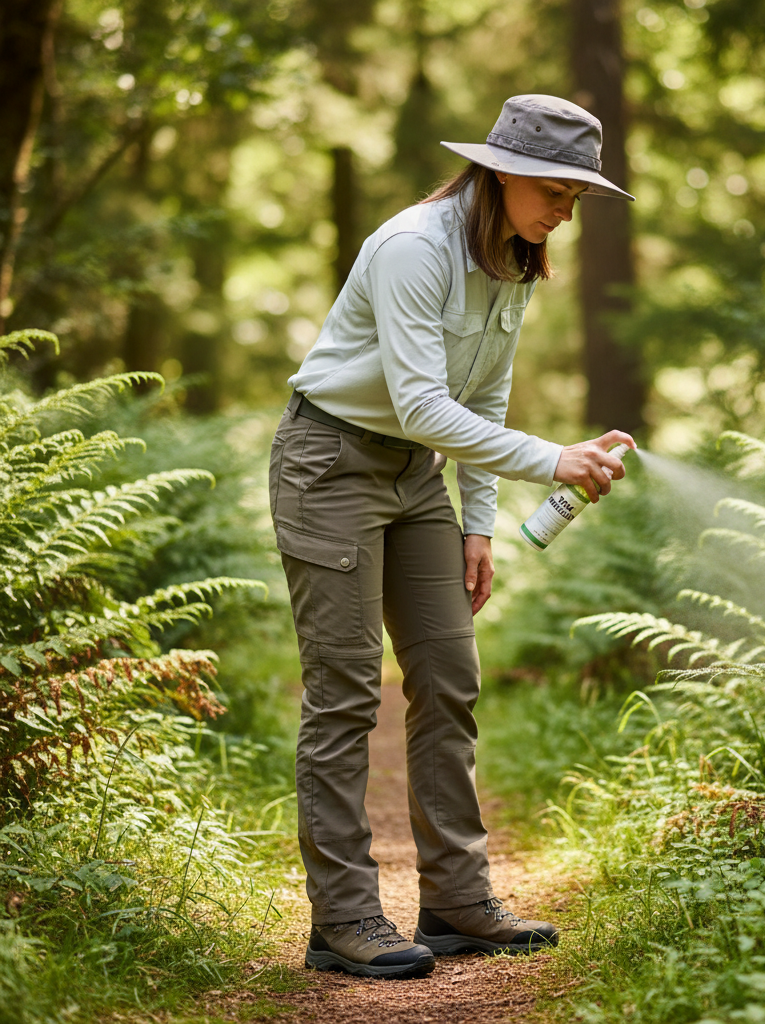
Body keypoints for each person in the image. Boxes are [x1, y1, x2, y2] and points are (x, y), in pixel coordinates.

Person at [268, 94, 636, 980]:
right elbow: (424, 401)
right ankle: (344, 919)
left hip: (417, 476)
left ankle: (457, 903)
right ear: (500, 171)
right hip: (330, 464)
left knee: (449, 676)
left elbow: (480, 402)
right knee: (348, 692)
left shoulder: (514, 256)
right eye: (554, 189)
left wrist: (478, 525)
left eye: (577, 197)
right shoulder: (411, 248)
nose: (563, 211)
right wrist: (554, 462)